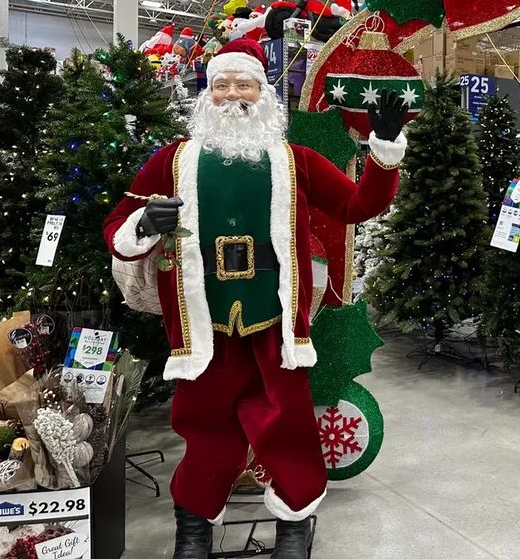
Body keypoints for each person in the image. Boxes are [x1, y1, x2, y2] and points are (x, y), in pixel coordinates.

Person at [104, 38, 407, 559]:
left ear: (263, 93)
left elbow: (359, 205)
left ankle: (294, 524)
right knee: (205, 427)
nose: (232, 95)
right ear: (207, 95)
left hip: (274, 321)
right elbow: (116, 226)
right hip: (203, 323)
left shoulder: (294, 160)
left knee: (287, 427)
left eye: (244, 84)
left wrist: (383, 149)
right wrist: (144, 224)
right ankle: (194, 525)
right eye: (221, 85)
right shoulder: (172, 161)